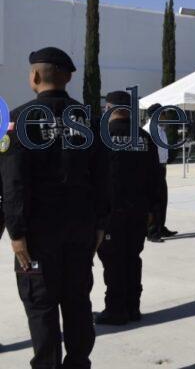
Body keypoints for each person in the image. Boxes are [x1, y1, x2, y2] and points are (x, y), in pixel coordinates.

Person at [0, 47, 108, 368]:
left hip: (37, 235)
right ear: (68, 77)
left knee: (41, 306)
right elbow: (104, 177)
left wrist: (16, 232)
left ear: (35, 76)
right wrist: (100, 224)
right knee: (77, 303)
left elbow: (14, 182)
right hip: (80, 231)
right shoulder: (90, 120)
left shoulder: (17, 120)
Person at [96, 90, 163, 325]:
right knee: (132, 259)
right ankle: (132, 307)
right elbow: (157, 177)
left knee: (113, 262)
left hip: (111, 214)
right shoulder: (145, 138)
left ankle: (116, 309)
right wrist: (154, 211)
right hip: (139, 212)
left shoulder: (102, 137)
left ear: (110, 108)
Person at [144, 103, 177, 242]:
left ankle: (160, 227)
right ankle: (152, 232)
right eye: (163, 113)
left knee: (162, 200)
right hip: (152, 168)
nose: (165, 116)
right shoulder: (148, 130)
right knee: (153, 201)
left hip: (162, 168)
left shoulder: (161, 129)